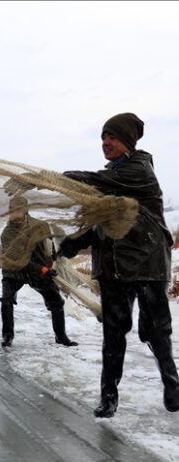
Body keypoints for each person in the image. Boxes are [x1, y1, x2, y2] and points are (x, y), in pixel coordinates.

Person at [58, 112, 178, 418]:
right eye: (102, 137)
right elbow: (101, 220)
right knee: (113, 334)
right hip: (112, 268)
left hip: (147, 264)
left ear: (127, 140)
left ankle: (173, 384)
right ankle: (108, 397)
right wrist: (75, 241)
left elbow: (101, 182)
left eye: (111, 137)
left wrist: (66, 178)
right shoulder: (110, 176)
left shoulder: (139, 170)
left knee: (155, 331)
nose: (105, 143)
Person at [0, 196, 78, 348]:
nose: (16, 213)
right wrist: (42, 269)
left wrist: (54, 261)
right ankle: (7, 336)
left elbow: (49, 245)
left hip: (39, 272)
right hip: (14, 271)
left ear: (26, 210)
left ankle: (61, 336)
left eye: (19, 210)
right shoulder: (7, 233)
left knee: (56, 302)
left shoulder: (40, 225)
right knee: (7, 301)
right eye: (13, 210)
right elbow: (19, 259)